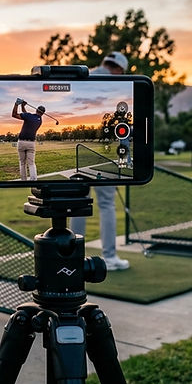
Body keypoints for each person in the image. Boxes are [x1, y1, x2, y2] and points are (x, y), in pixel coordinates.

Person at [71, 51, 130, 271]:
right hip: (105, 153)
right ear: (119, 69)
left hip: (82, 151)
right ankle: (110, 257)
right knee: (106, 204)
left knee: (78, 205)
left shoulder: (82, 77)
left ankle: (73, 257)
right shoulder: (116, 85)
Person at [12, 100, 45, 180]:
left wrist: (17, 104)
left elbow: (14, 115)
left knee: (22, 163)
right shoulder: (39, 120)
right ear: (42, 113)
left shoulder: (30, 117)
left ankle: (24, 181)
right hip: (31, 144)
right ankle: (33, 181)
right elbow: (26, 115)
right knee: (31, 164)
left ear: (36, 110)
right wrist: (23, 106)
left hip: (22, 142)